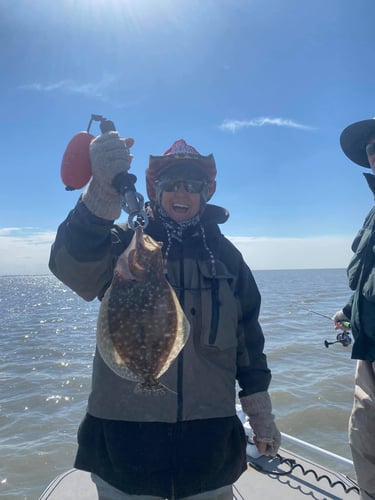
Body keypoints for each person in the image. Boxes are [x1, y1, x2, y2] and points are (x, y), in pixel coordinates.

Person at [49, 130, 281, 499]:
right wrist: (101, 198)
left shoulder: (228, 259)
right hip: (125, 447)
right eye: (172, 182)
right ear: (155, 190)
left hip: (209, 449)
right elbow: (71, 266)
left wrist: (260, 413)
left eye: (193, 183)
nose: (182, 191)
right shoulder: (124, 244)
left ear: (207, 192)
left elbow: (248, 340)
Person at [333, 118, 375, 500]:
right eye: (372, 150)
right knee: (363, 441)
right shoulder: (372, 214)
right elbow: (367, 275)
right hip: (369, 354)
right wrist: (349, 310)